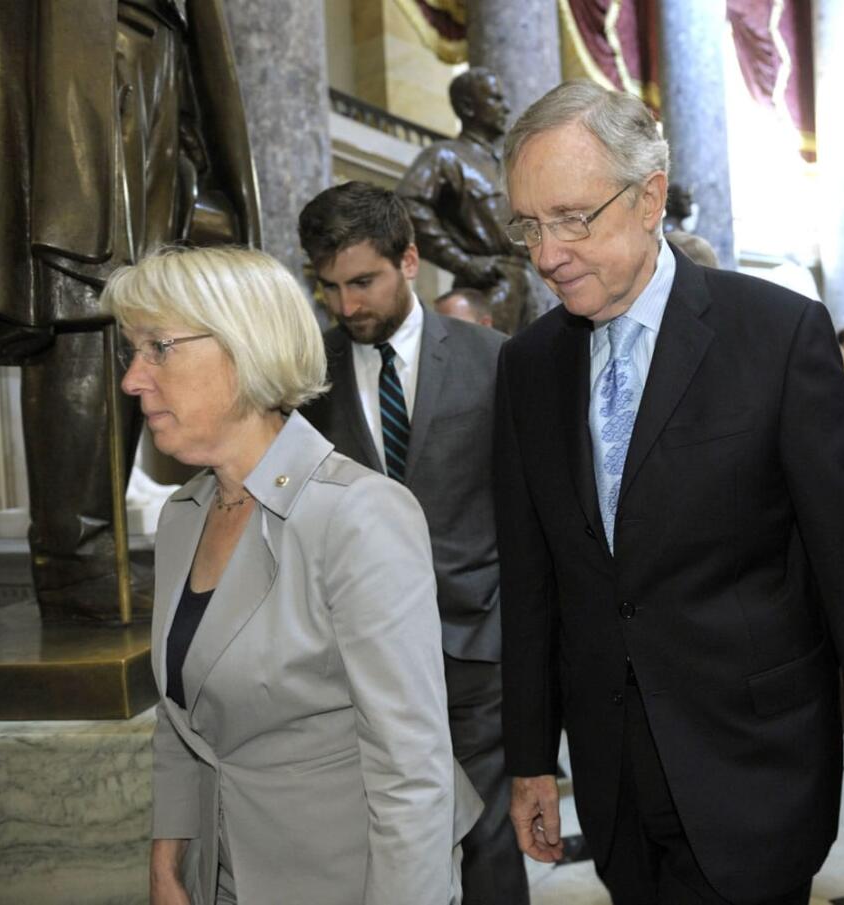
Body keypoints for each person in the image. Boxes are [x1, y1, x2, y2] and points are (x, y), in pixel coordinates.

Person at [494, 79, 844, 905]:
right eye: (529, 224)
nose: (546, 252)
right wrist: (531, 759)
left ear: (649, 197)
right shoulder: (529, 367)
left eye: (571, 218)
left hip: (754, 768)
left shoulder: (776, 335)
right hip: (612, 777)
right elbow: (532, 583)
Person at [104, 246, 480, 905]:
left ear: (243, 347)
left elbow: (412, 773)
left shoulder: (359, 515)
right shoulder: (183, 516)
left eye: (158, 347)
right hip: (216, 876)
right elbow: (181, 715)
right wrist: (168, 862)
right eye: (131, 352)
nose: (134, 378)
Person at [0, 0, 260, 622]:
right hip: (82, 54)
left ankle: (90, 563)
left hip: (156, 54)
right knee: (83, 298)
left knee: (139, 319)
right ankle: (75, 569)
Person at [297, 183, 528, 905]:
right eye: (329, 287)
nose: (346, 306)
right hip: (351, 657)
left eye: (363, 282)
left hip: (473, 648)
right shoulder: (308, 377)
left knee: (486, 840)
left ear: (410, 261)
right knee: (384, 845)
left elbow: (528, 515)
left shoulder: (496, 361)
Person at [397, 67, 556, 333]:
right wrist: (464, 262)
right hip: (487, 290)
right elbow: (407, 206)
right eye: (495, 99)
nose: (506, 108)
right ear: (468, 107)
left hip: (531, 282)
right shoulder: (446, 157)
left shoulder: (504, 163)